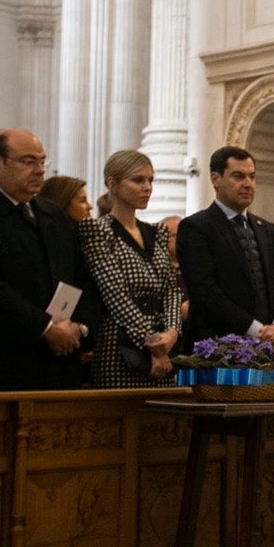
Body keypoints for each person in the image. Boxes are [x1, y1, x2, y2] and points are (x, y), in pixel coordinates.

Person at [0, 129, 95, 391]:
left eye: (42, 161)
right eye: (28, 161)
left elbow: (81, 277)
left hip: (59, 362)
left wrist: (78, 328)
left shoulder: (52, 214)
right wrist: (45, 328)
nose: (39, 170)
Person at [78, 150, 181, 388]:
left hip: (164, 345)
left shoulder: (157, 232)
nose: (147, 187)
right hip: (120, 347)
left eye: (150, 180)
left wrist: (172, 333)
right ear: (113, 184)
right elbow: (115, 294)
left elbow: (171, 291)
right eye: (138, 180)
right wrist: (155, 345)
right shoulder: (97, 230)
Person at [178, 146, 274, 345]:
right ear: (216, 179)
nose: (248, 184)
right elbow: (206, 293)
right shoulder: (196, 227)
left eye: (252, 177)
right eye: (238, 176)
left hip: (271, 345)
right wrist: (258, 330)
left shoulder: (267, 229)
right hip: (219, 347)